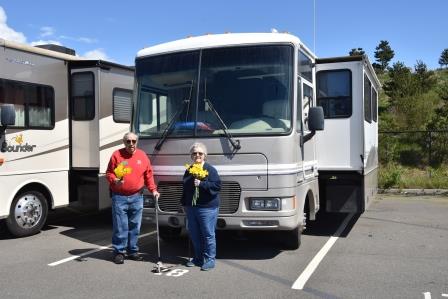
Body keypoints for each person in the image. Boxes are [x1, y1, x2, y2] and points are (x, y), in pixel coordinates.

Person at [106, 132, 159, 264]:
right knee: (121, 226)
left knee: (135, 225)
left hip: (137, 197)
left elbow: (148, 175)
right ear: (124, 142)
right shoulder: (116, 155)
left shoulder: (142, 155)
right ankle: (119, 252)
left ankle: (133, 250)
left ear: (137, 142)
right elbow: (109, 173)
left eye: (133, 141)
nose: (131, 144)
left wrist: (153, 190)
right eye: (128, 141)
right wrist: (114, 180)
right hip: (119, 197)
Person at [181, 142, 221, 271]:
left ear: (205, 155)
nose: (197, 155)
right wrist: (183, 203)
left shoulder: (210, 169)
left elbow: (217, 186)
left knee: (208, 234)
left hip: (207, 208)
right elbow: (185, 189)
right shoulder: (189, 170)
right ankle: (198, 257)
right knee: (194, 234)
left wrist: (202, 184)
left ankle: (209, 259)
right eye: (194, 153)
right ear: (191, 156)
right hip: (191, 208)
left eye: (200, 153)